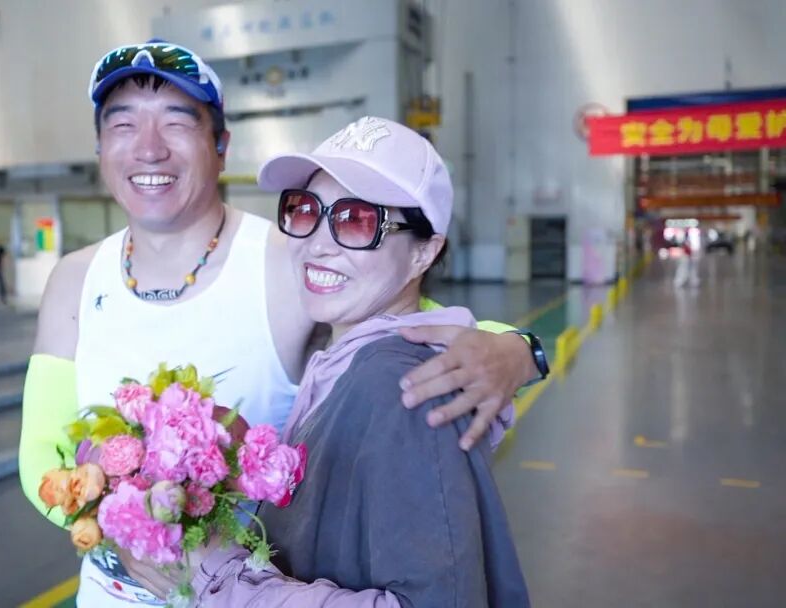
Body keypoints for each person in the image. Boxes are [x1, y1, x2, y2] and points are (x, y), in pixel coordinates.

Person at [19, 41, 547, 607]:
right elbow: (40, 457)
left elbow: (412, 327)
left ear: (221, 146)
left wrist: (520, 350)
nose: (149, 149)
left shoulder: (289, 256)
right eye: (123, 125)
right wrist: (127, 529)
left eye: (176, 123)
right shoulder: (74, 278)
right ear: (99, 148)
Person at [121, 117, 530, 606]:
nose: (317, 243)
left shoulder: (404, 387)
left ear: (424, 253)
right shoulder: (341, 364)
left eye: (357, 220)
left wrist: (223, 577)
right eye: (305, 211)